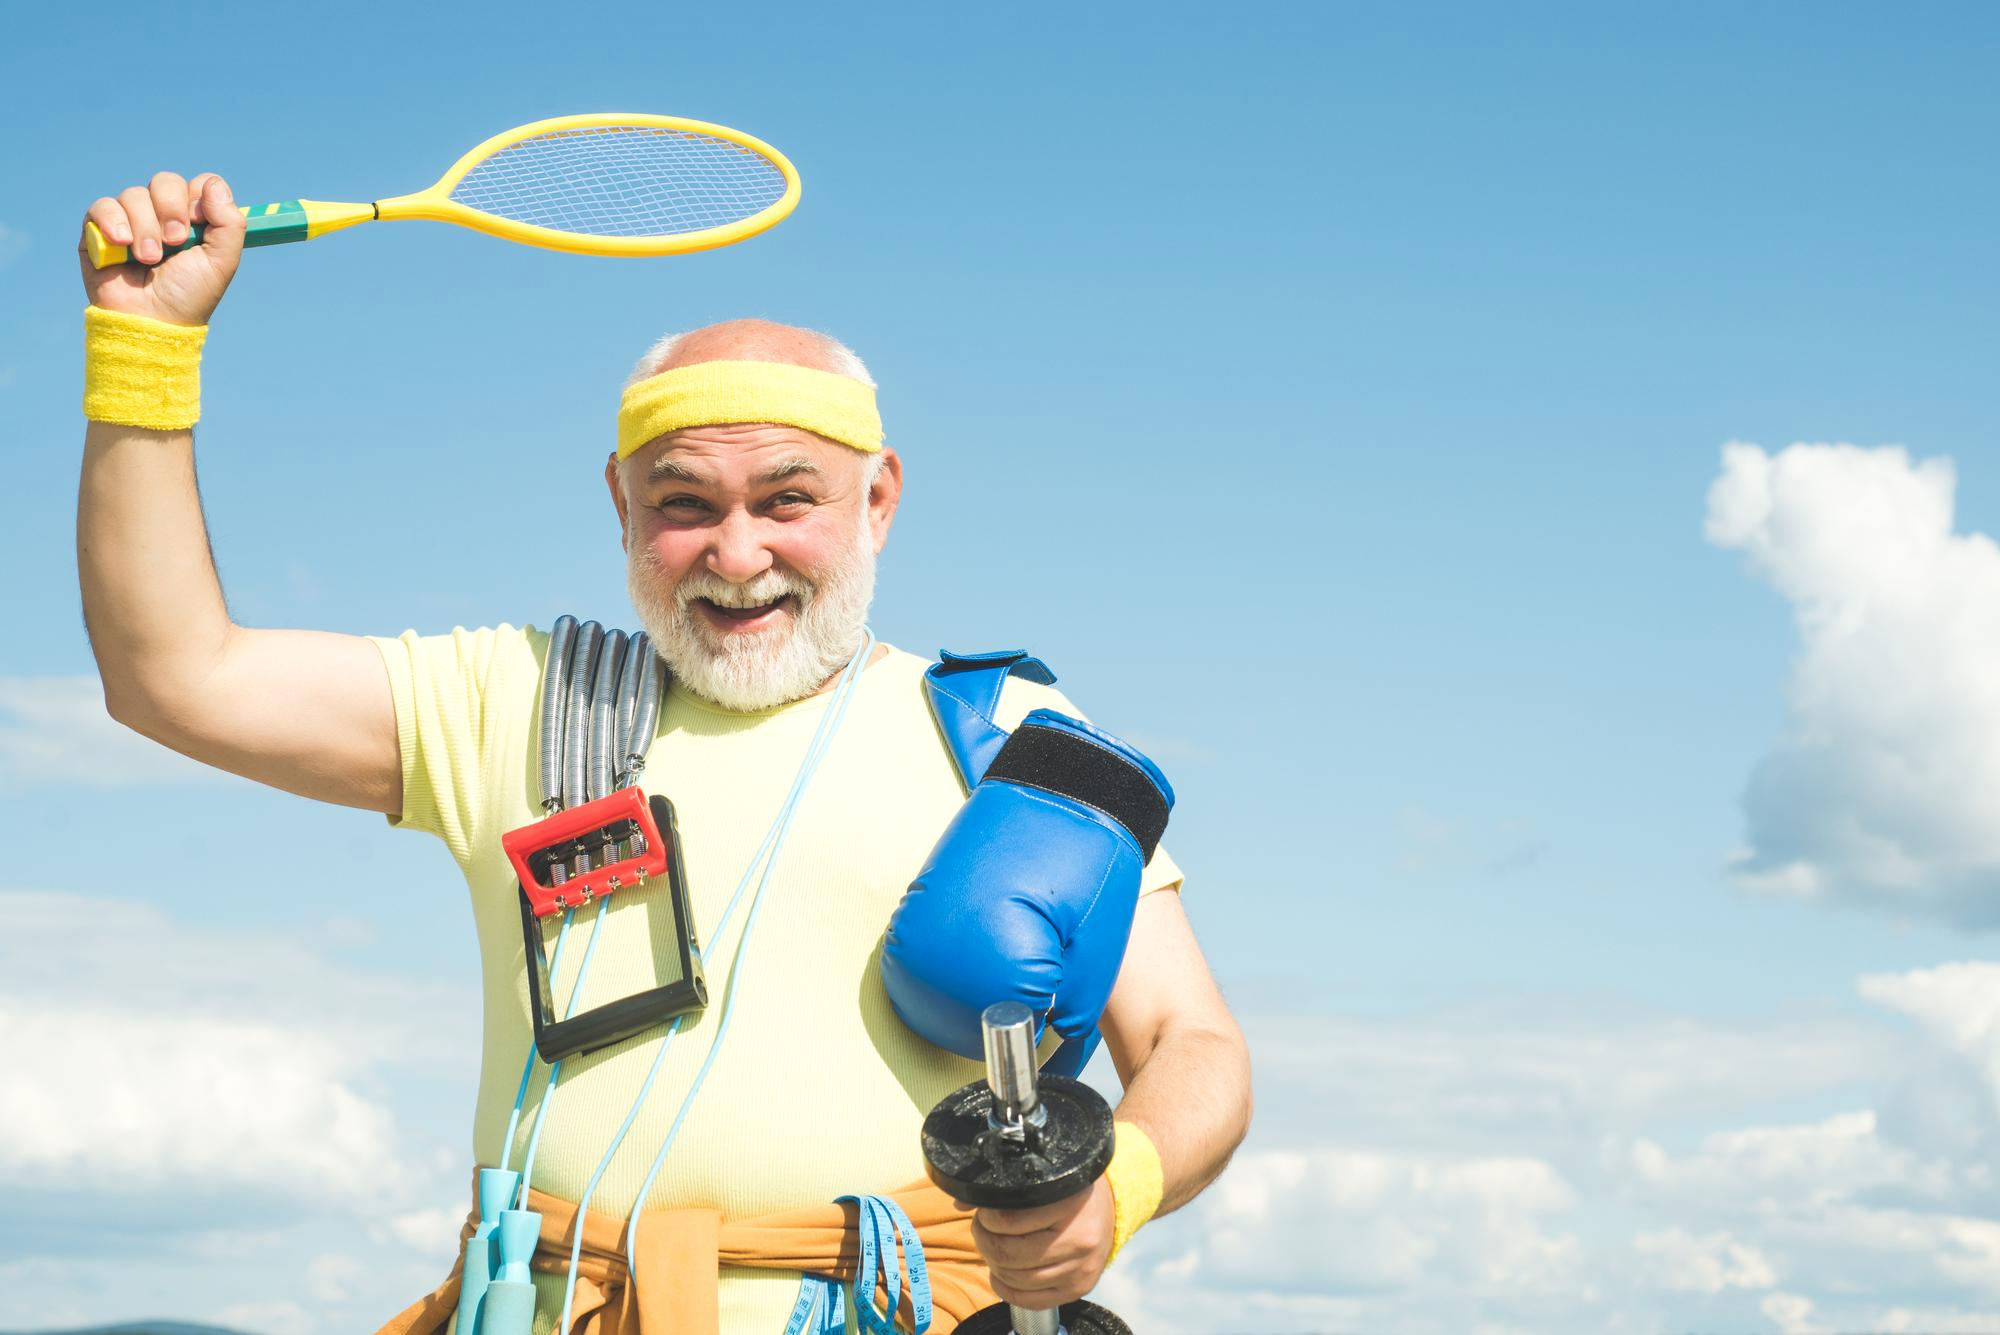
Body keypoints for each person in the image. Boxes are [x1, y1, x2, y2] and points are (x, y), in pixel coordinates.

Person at [77, 171, 1253, 1334]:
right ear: (620, 504)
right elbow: (174, 676)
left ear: (878, 500)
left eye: (788, 498)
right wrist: (145, 348)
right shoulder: (512, 701)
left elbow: (1189, 1045)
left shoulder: (1011, 744)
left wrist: (1120, 1187)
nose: (736, 555)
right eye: (683, 502)